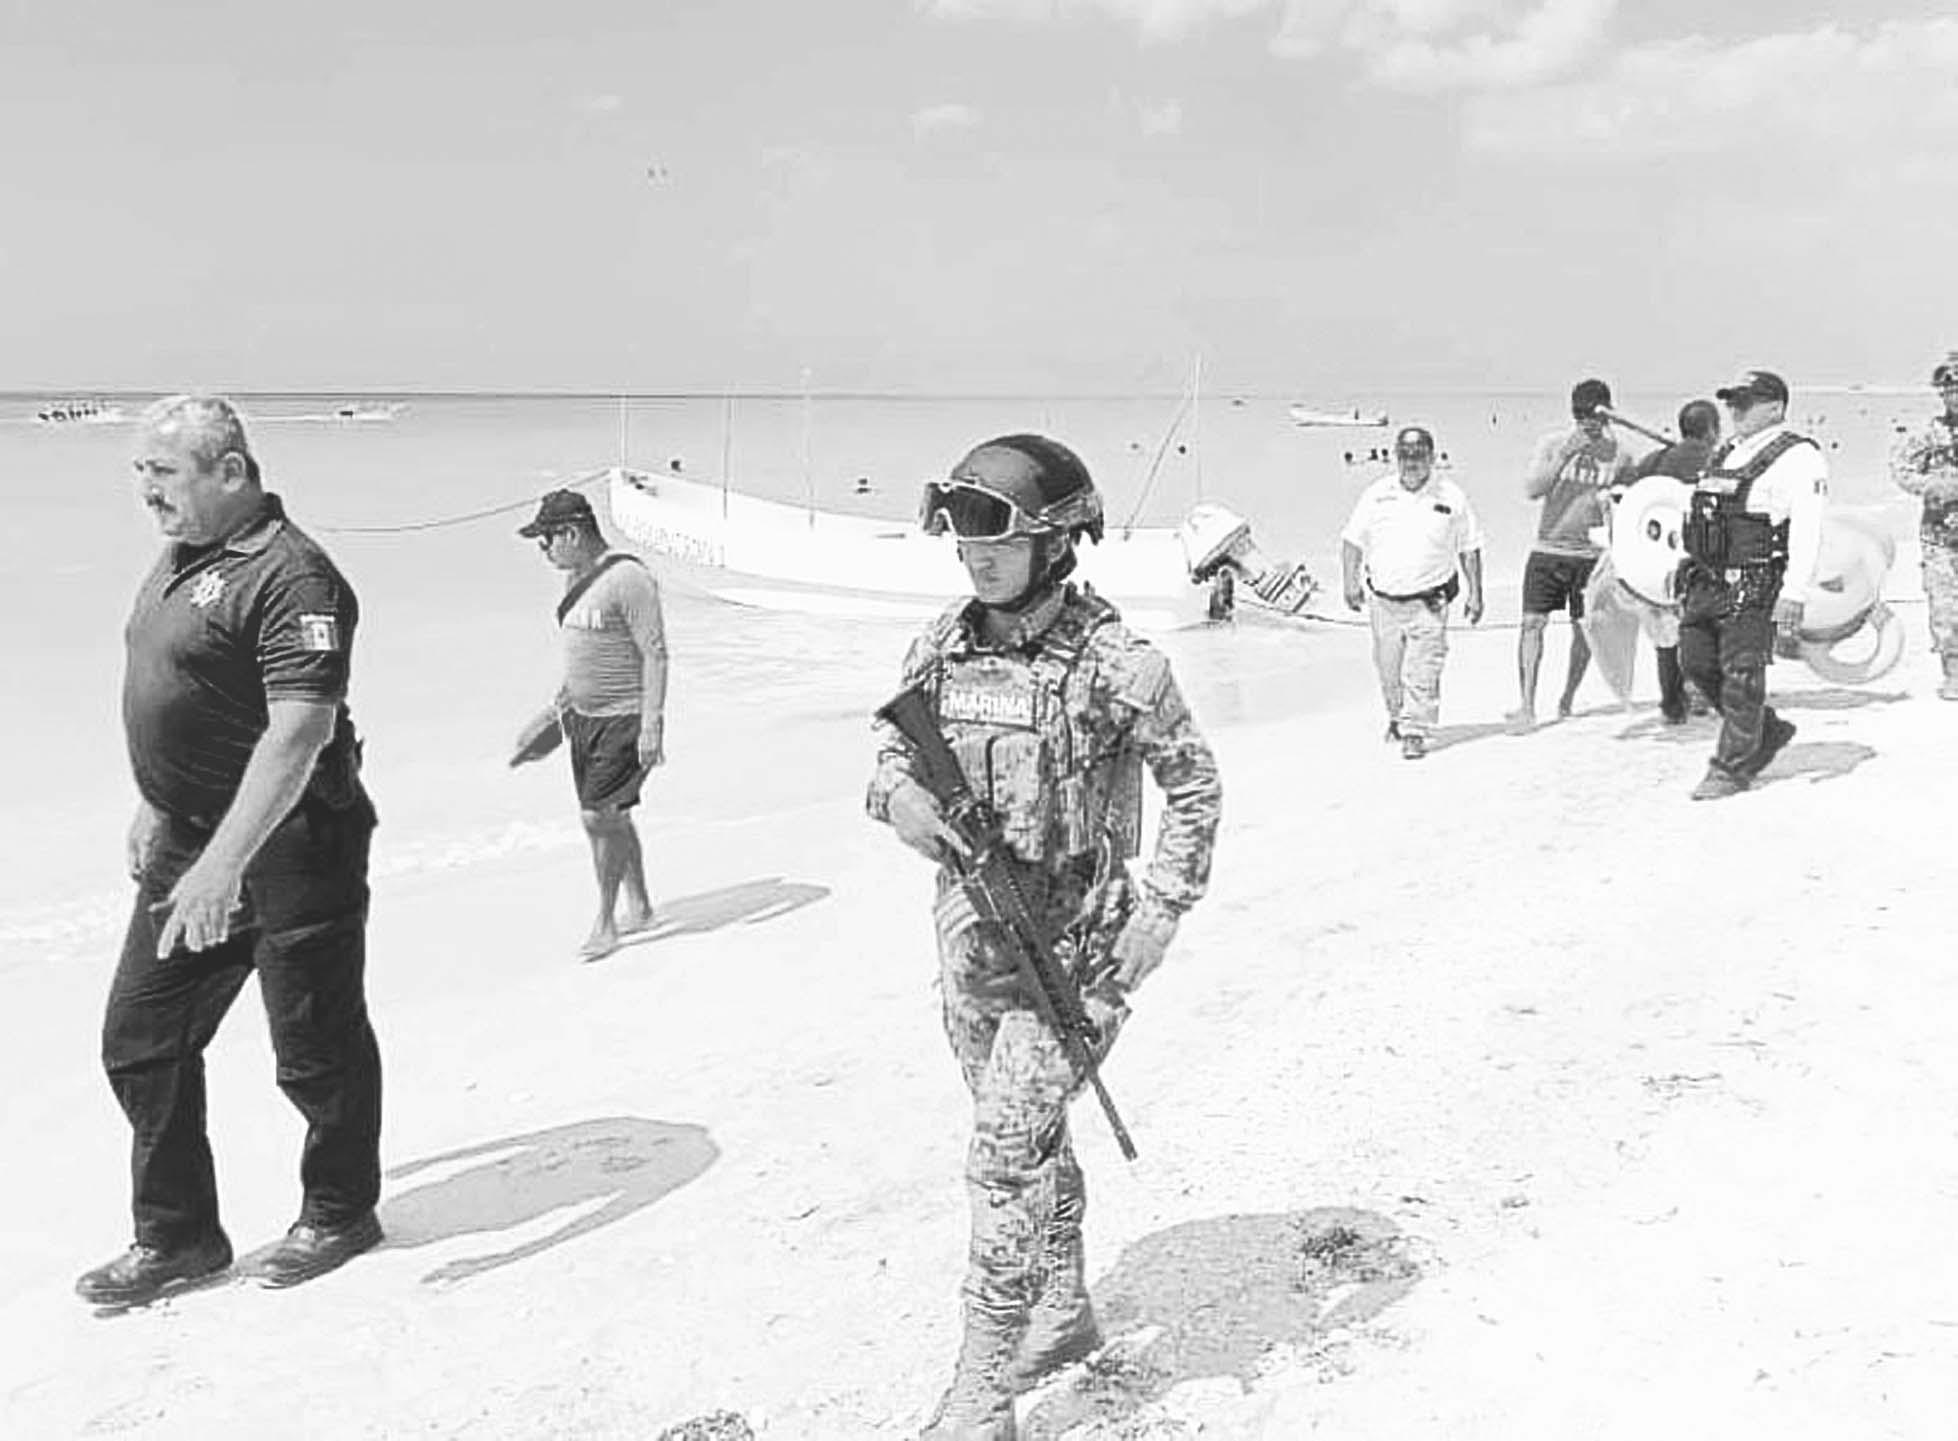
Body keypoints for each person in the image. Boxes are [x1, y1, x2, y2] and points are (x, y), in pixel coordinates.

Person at [867, 435, 1221, 1440]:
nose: (973, 554)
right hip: (970, 944)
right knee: (1028, 1137)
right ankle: (1061, 1307)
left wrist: (1161, 909)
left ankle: (983, 1391)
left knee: (1000, 1155)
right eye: (962, 534)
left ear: (1057, 540)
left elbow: (1194, 787)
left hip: (1078, 953)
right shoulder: (941, 646)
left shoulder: (1117, 663)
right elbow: (888, 750)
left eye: (996, 535)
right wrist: (897, 798)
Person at [78, 396, 385, 1308]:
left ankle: (340, 1211)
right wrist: (156, 799)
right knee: (141, 1040)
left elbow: (298, 732)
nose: (146, 492)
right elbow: (194, 689)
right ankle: (179, 1236)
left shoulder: (295, 576)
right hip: (186, 838)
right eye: (140, 471)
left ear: (231, 471)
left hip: (294, 844)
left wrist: (224, 863)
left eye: (163, 472)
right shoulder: (183, 555)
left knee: (314, 1044)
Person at [510, 489, 668, 960]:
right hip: (582, 718)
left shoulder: (629, 579)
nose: (544, 551)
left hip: (624, 717)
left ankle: (605, 922)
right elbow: (584, 658)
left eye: (546, 540)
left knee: (597, 817)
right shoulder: (574, 583)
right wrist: (554, 713)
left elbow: (655, 653)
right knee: (613, 815)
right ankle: (640, 905)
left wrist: (652, 724)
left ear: (572, 533)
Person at [1677, 370, 1827, 800]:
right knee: (1695, 662)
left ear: (1775, 407)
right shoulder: (1727, 451)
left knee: (1742, 675)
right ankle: (1767, 729)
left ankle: (1731, 767)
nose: (1735, 409)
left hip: (1755, 580)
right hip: (1705, 580)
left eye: (1745, 402)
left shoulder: (1799, 457)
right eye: (1731, 401)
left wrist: (1794, 592)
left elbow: (1809, 528)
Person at [1339, 425, 1486, 760]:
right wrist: (1350, 582)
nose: (1411, 461)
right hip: (1383, 602)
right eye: (1405, 454)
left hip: (1429, 602)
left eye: (1419, 454)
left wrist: (1476, 593)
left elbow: (1470, 546)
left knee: (1423, 670)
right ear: (1396, 457)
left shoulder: (1451, 496)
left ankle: (1415, 730)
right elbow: (1352, 540)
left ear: (1431, 457)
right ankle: (1397, 717)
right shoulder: (1377, 494)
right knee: (1388, 671)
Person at [1511, 378, 1638, 729]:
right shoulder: (1552, 444)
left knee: (1584, 631)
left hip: (1591, 555)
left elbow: (1632, 503)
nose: (1587, 422)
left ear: (1607, 414)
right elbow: (1533, 490)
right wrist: (1566, 454)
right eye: (1580, 415)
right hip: (1548, 548)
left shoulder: (1622, 454)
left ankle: (1567, 697)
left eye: (1594, 415)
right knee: (1532, 624)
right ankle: (1527, 705)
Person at [1626, 399, 1723, 722]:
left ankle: (1672, 703)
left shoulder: (1653, 461)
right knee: (1703, 628)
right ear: (1711, 430)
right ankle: (1700, 694)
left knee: (1666, 636)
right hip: (1697, 559)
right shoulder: (1718, 461)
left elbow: (1626, 497)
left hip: (1656, 560)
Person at [1888, 349, 1958, 700]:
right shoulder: (1929, 435)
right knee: (1945, 606)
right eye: (1948, 390)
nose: (1952, 396)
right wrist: (1932, 486)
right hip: (1940, 536)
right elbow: (1900, 468)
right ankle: (1954, 671)